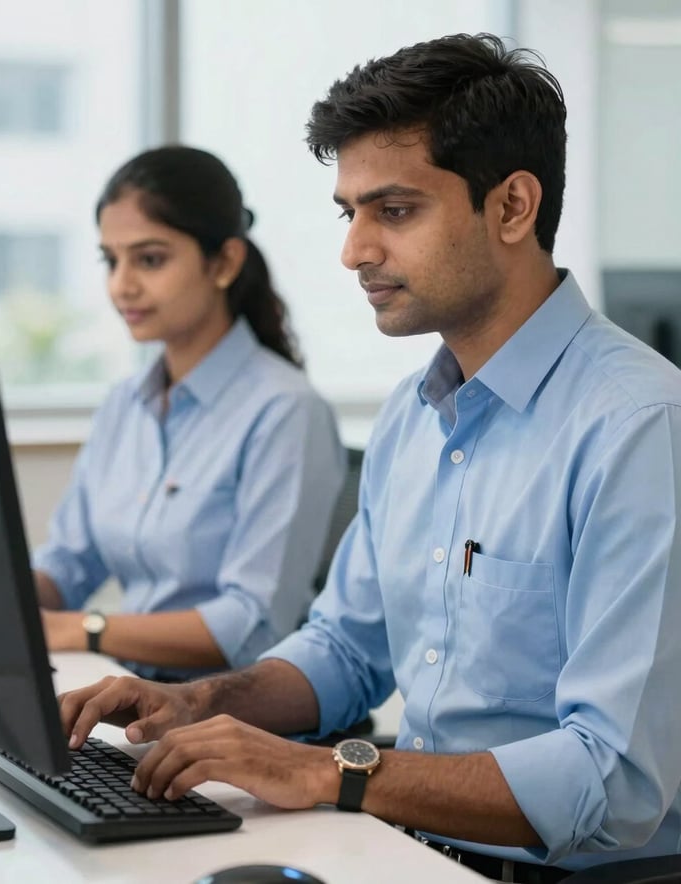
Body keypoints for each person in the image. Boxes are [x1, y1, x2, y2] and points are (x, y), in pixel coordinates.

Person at [56, 34, 681, 881]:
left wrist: (328, 771)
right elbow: (347, 652)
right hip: (403, 844)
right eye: (349, 213)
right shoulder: (410, 417)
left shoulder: (640, 426)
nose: (354, 251)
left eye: (394, 211)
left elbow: (612, 778)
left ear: (512, 207)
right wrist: (198, 702)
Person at [34, 145, 346, 680]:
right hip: (126, 694)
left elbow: (250, 623)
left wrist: (81, 629)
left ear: (223, 262)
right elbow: (68, 563)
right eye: (112, 260)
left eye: (149, 259)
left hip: (225, 723)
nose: (122, 285)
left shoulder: (286, 411)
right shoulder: (123, 405)